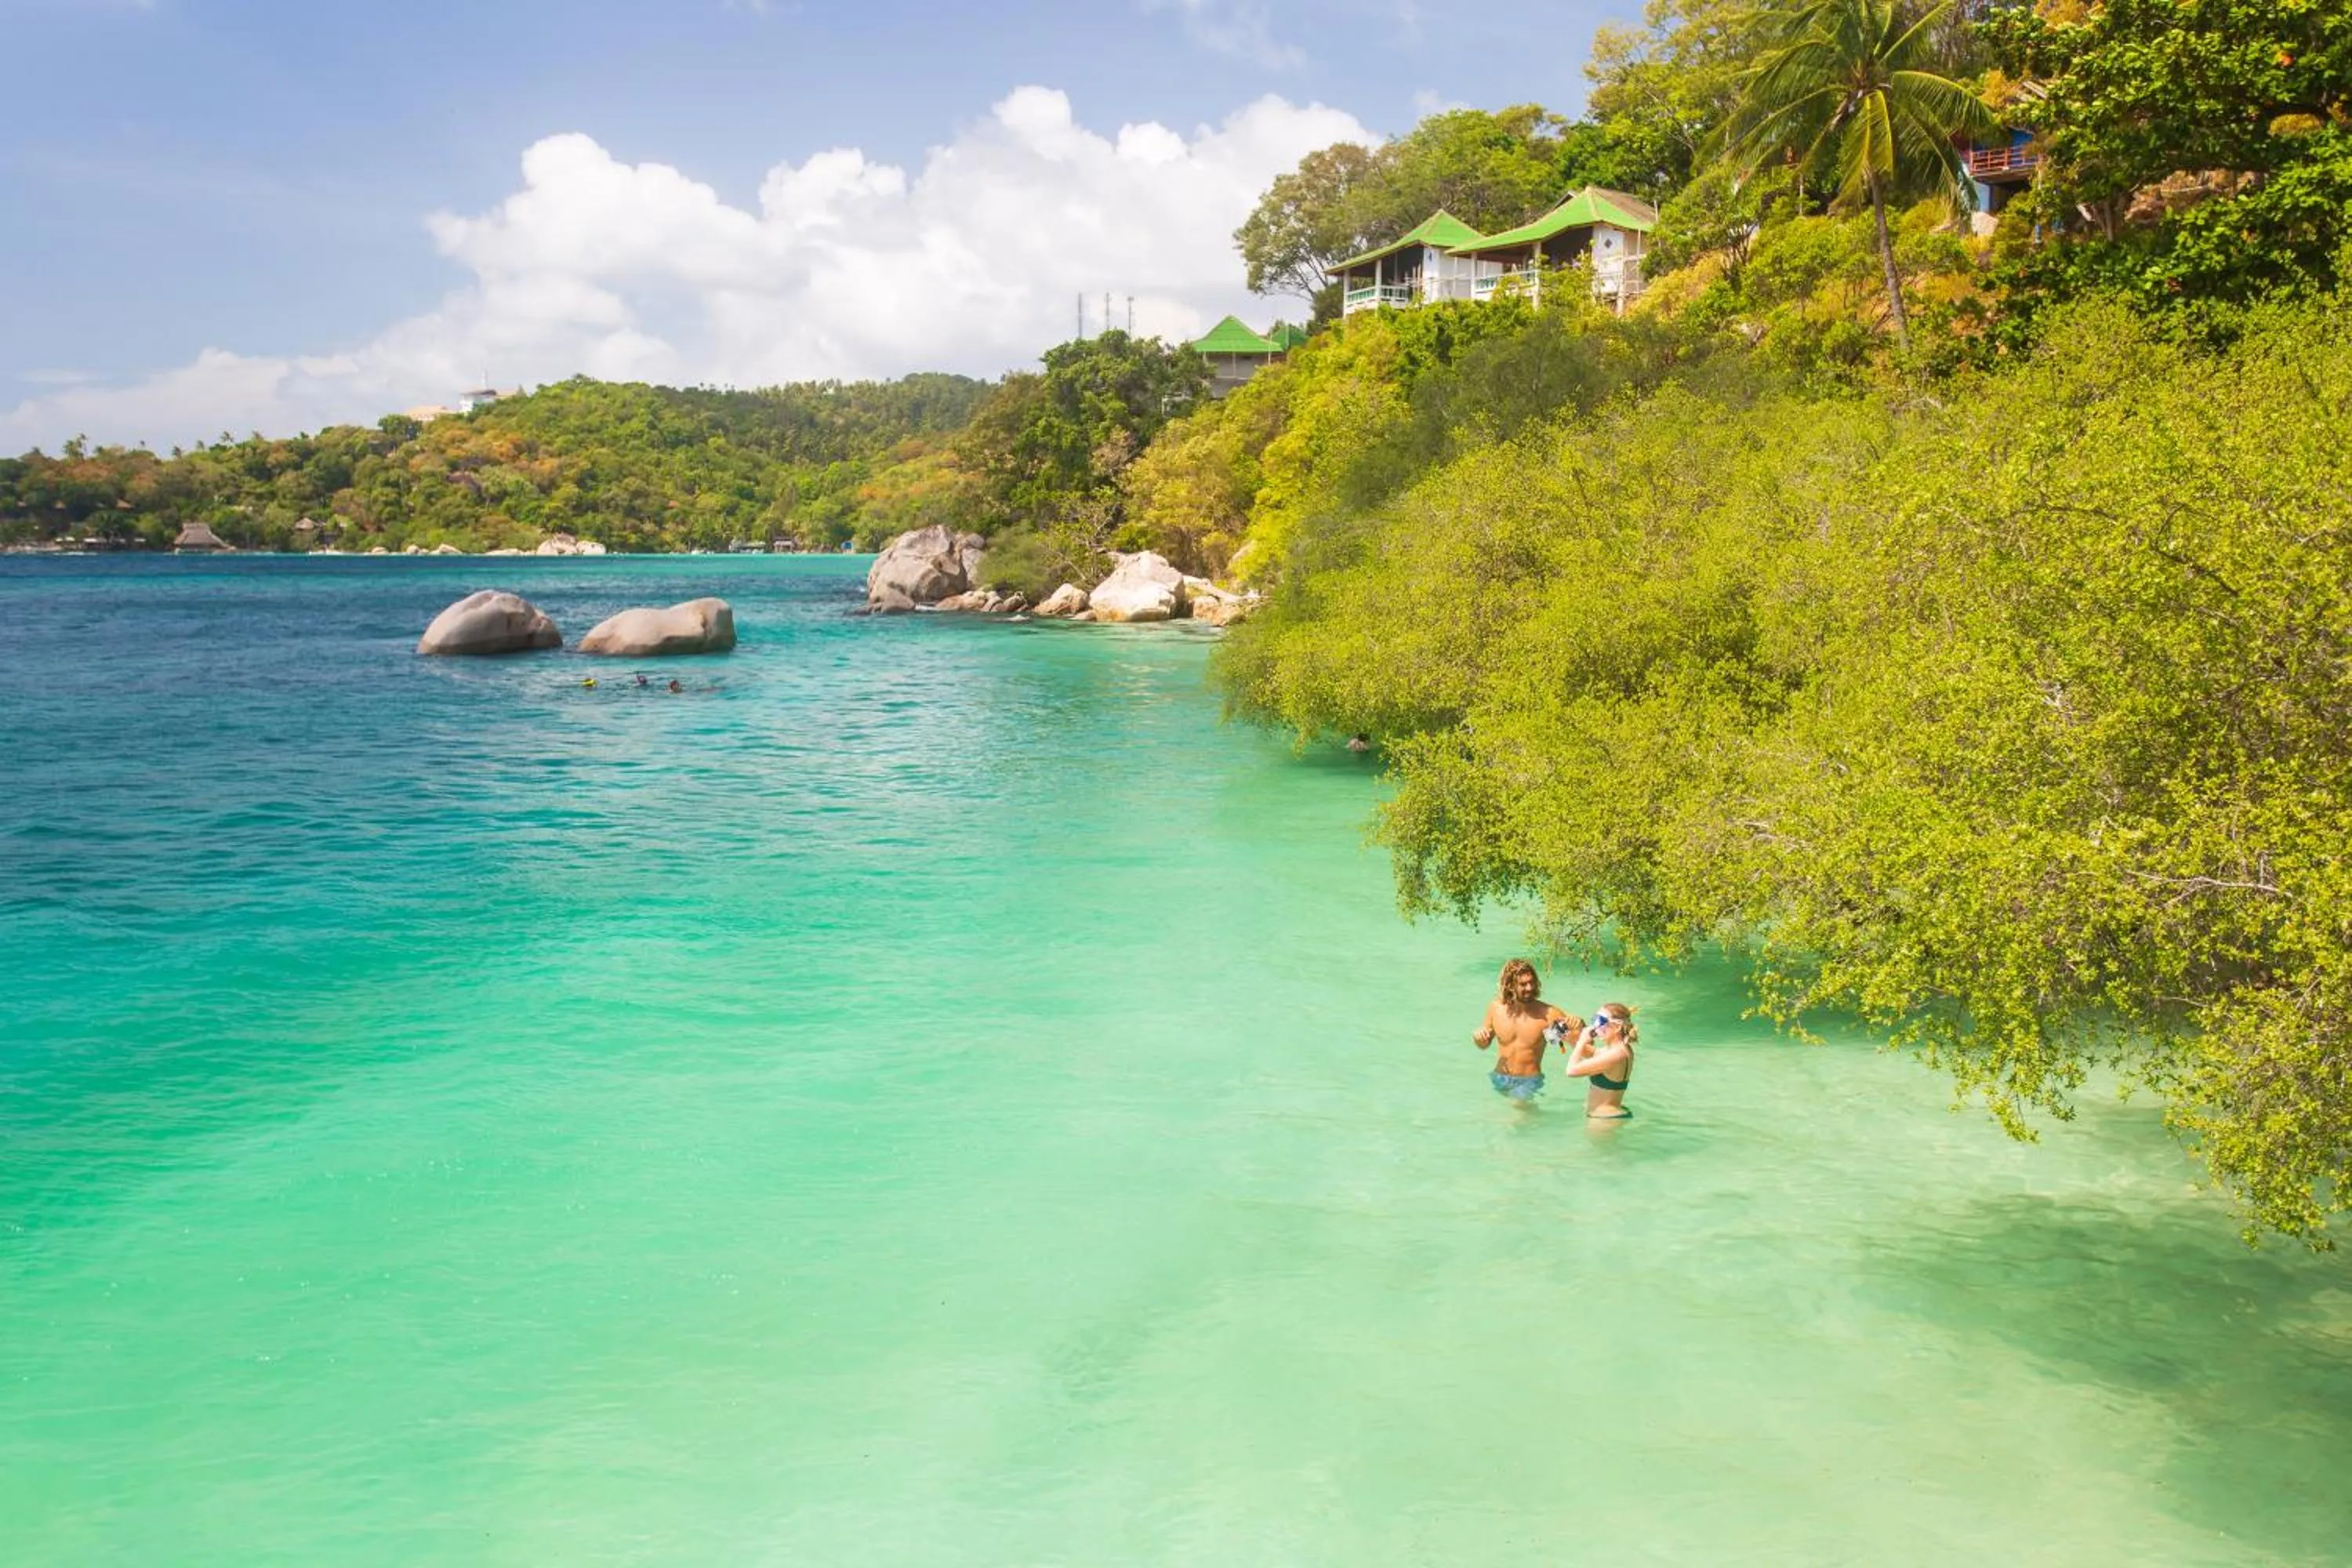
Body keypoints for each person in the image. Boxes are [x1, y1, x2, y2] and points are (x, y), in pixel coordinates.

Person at [1472, 959, 1581, 1104]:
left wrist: (1579, 1025)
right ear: (1510, 985)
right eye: (1523, 984)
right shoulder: (1496, 1009)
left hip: (1527, 1082)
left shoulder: (1547, 1014)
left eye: (1532, 982)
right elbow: (1484, 1045)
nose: (1529, 988)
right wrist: (1477, 1037)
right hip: (1499, 1077)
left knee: (1518, 1119)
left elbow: (1579, 1043)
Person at [1563, 1004, 1638, 1120]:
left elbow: (1571, 1071)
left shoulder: (1617, 1054)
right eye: (1594, 1019)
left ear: (1617, 1027)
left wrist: (1581, 1042)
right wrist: (1571, 1040)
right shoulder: (1620, 1049)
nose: (1595, 1026)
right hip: (1607, 1115)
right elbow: (1594, 1054)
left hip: (1604, 1119)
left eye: (1600, 1021)